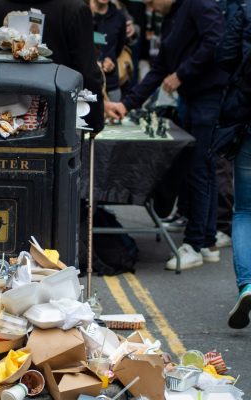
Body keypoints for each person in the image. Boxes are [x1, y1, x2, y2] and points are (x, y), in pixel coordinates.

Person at [111, 0, 228, 270]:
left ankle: (196, 244)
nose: (150, 6)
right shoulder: (173, 15)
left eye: (152, 1)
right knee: (201, 169)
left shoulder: (199, 5)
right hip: (192, 98)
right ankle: (206, 241)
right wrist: (127, 104)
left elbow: (215, 43)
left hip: (208, 98)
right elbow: (160, 67)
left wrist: (181, 74)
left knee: (200, 168)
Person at [0, 0, 105, 133]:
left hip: (1, 118)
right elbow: (87, 72)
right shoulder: (74, 9)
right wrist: (94, 122)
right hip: (56, 122)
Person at [216, 0, 251, 329]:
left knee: (245, 211)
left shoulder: (244, 8)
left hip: (248, 119)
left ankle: (248, 285)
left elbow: (225, 55)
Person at [90, 0, 126, 102]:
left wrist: (111, 59)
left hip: (110, 83)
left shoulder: (119, 17)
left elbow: (119, 47)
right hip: (86, 83)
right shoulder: (82, 12)